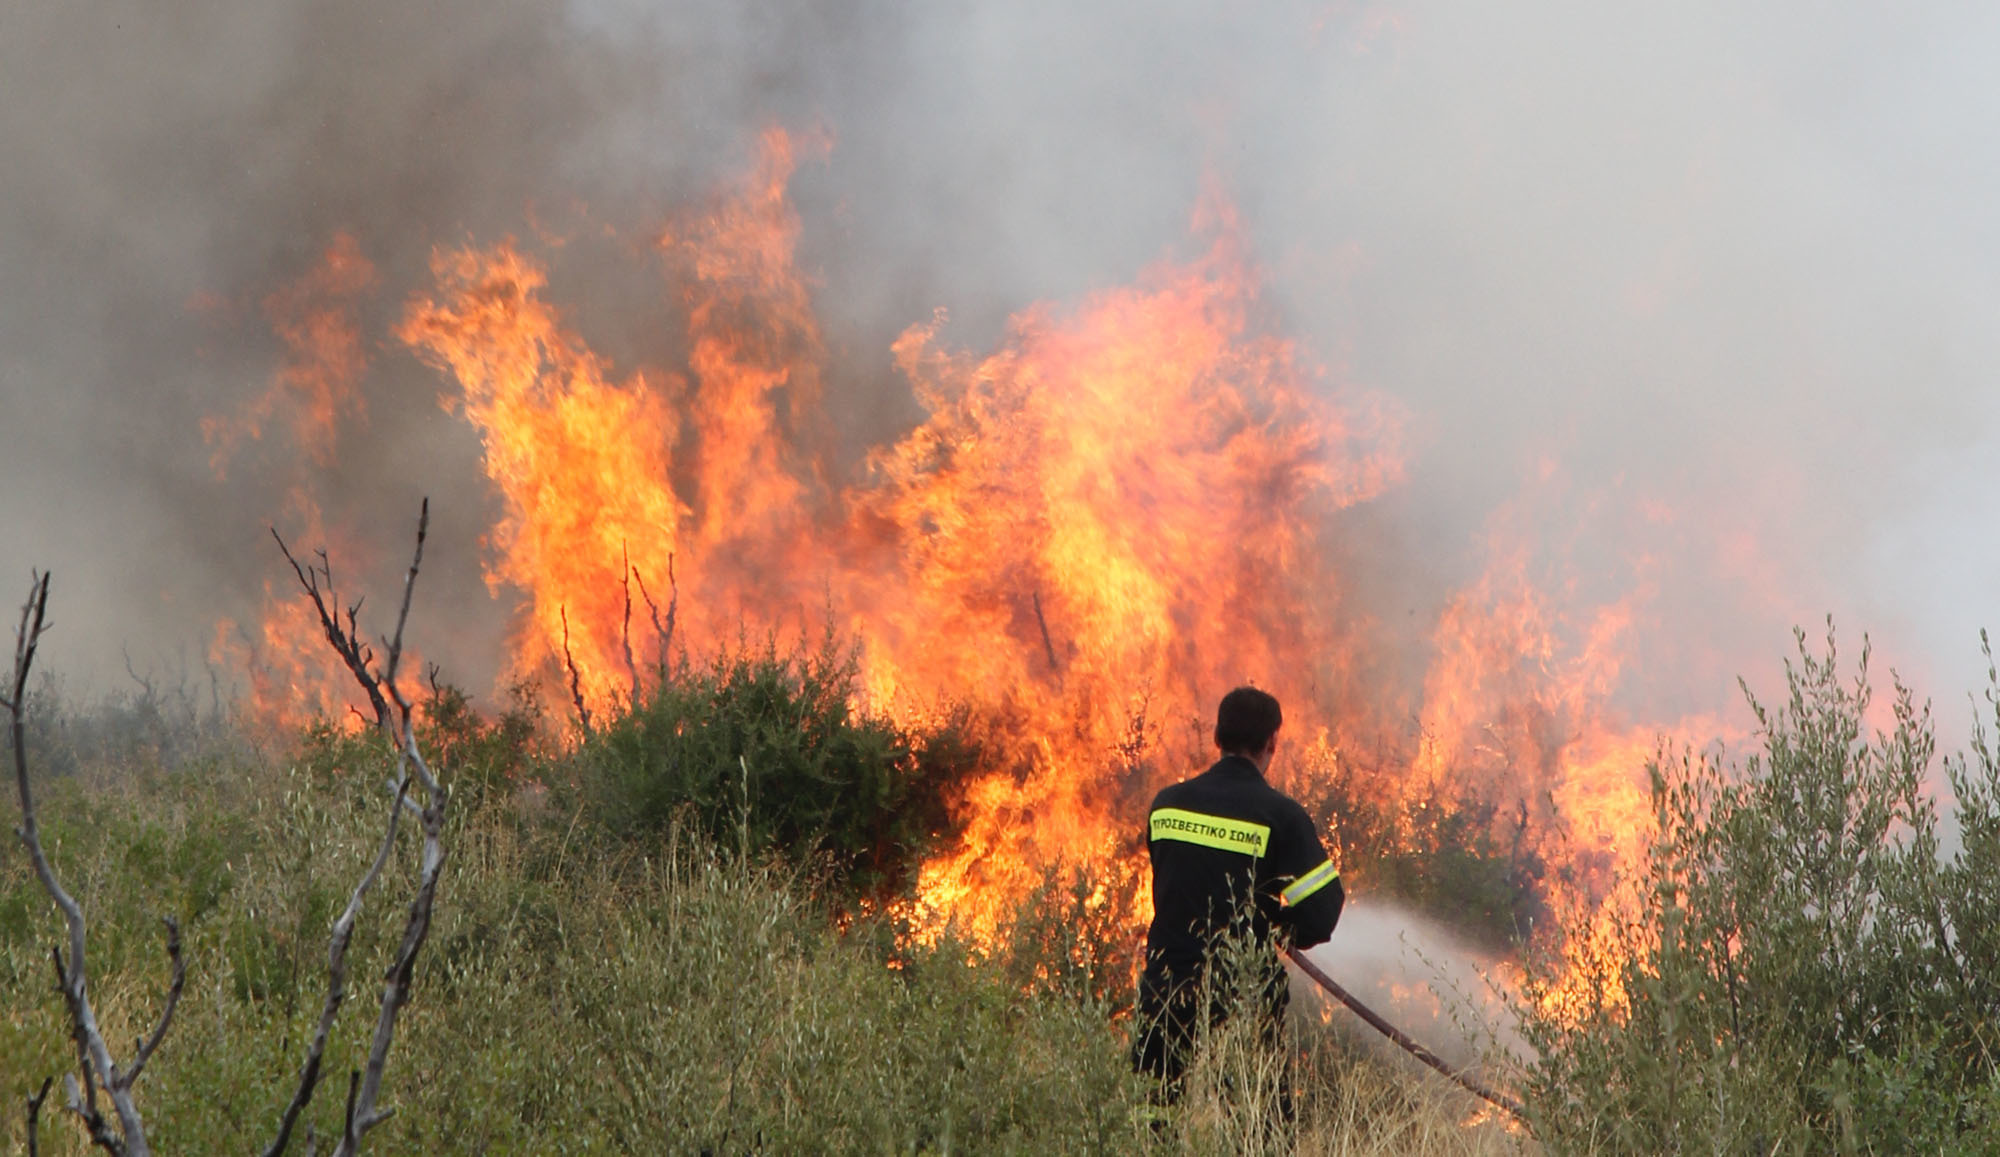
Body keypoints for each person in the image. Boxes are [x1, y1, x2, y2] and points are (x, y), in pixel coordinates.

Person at [1131, 686, 1344, 1099]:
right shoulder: (1280, 817)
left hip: (1166, 990)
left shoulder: (1166, 805)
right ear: (1271, 743)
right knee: (1255, 1123)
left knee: (1155, 1120)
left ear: (1217, 737)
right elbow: (1321, 910)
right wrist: (1278, 929)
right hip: (1241, 996)